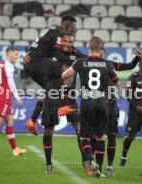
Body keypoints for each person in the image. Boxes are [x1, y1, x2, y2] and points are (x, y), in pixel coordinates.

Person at [62, 36, 119, 177]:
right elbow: (116, 85)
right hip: (102, 105)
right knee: (100, 138)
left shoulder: (80, 62)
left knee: (84, 138)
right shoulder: (108, 64)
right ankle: (99, 170)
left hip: (87, 104)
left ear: (88, 47)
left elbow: (64, 75)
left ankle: (90, 158)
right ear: (101, 49)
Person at [39, 33, 86, 174]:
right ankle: (48, 164)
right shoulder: (52, 52)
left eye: (70, 41)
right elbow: (36, 58)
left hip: (69, 97)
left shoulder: (79, 56)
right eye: (64, 41)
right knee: (48, 130)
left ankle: (85, 160)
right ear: (61, 41)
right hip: (52, 95)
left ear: (73, 42)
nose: (67, 44)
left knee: (79, 128)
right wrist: (27, 56)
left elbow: (92, 65)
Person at [23, 15, 77, 134]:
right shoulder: (57, 33)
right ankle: (65, 102)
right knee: (69, 68)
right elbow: (59, 55)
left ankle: (32, 120)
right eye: (72, 29)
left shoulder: (52, 32)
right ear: (65, 26)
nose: (73, 32)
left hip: (32, 63)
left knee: (51, 87)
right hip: (36, 63)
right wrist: (76, 62)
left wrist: (27, 52)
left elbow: (36, 45)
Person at [103, 49, 142, 176]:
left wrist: (136, 58)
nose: (100, 55)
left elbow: (129, 66)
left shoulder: (109, 64)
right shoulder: (89, 64)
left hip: (110, 103)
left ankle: (109, 167)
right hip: (97, 103)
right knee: (95, 136)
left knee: (111, 135)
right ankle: (93, 163)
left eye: (102, 53)